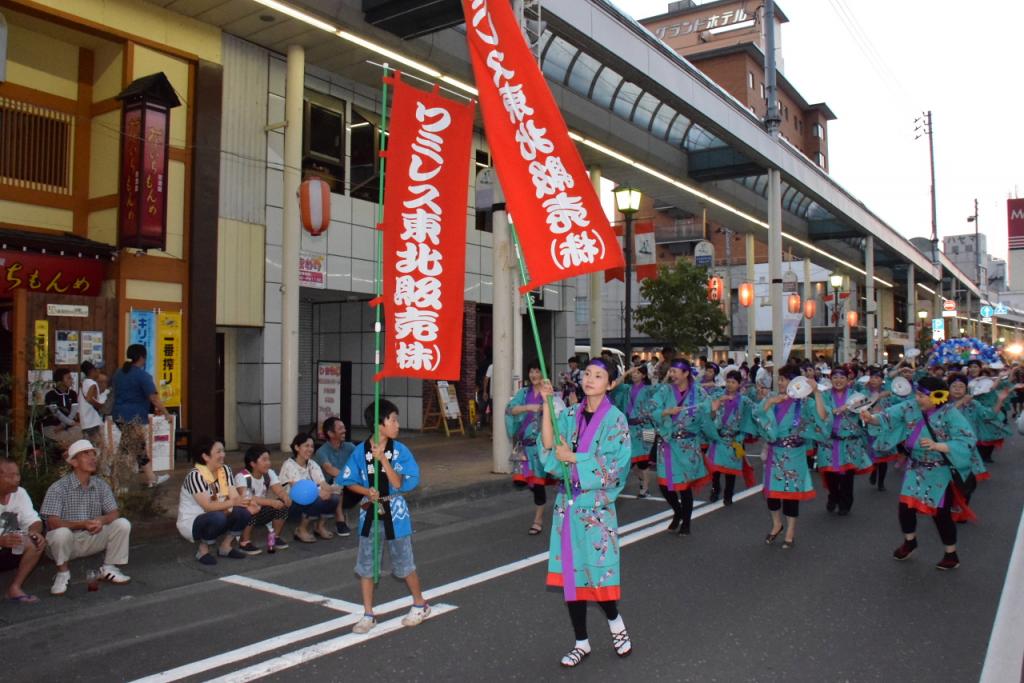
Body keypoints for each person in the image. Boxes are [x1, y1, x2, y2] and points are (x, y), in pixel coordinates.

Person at [538, 357, 633, 667]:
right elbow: (550, 445)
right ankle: (581, 642)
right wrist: (546, 405)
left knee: (597, 573)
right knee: (572, 577)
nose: (590, 379)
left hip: (596, 511)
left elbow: (616, 466)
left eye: (599, 375)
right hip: (567, 508)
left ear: (610, 384)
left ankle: (615, 621)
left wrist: (574, 458)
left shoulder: (616, 420)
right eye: (588, 374)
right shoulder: (570, 414)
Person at [861, 376, 976, 570]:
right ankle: (910, 542)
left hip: (939, 469)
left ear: (937, 396)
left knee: (940, 513)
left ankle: (951, 554)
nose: (917, 398)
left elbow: (967, 439)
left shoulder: (950, 413)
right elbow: (889, 416)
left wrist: (939, 445)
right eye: (917, 393)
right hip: (915, 467)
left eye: (922, 395)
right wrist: (871, 418)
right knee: (905, 508)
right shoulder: (910, 406)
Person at [339, 399, 430, 634]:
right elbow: (348, 480)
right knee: (366, 563)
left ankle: (420, 604)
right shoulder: (360, 451)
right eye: (393, 420)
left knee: (404, 561)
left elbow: (399, 483)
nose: (397, 425)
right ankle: (368, 614)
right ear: (380, 424)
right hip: (370, 511)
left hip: (395, 512)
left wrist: (384, 460)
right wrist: (366, 491)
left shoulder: (399, 450)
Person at [41, 439, 132, 594]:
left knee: (122, 523)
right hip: (67, 542)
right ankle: (63, 573)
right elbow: (52, 522)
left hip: (92, 537)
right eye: (85, 454)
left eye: (93, 454)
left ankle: (109, 567)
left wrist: (101, 520)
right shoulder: (58, 488)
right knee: (60, 533)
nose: (92, 458)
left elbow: (114, 512)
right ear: (74, 462)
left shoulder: (100, 484)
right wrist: (83, 524)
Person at [751, 365, 827, 549]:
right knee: (772, 495)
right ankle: (777, 524)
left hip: (795, 453)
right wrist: (770, 403)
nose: (780, 383)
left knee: (791, 494)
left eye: (784, 379)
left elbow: (822, 417)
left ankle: (790, 531)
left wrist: (816, 393)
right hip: (774, 452)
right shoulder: (773, 397)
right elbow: (757, 414)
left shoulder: (804, 402)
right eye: (779, 379)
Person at [651, 359, 713, 535]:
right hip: (667, 443)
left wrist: (713, 410)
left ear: (686, 373)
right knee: (664, 484)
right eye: (670, 371)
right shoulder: (664, 390)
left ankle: (686, 523)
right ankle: (677, 511)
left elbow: (708, 412)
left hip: (688, 445)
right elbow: (651, 409)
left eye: (675, 371)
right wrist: (666, 412)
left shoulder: (699, 392)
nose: (671, 374)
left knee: (685, 487)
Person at [177, 439, 257, 564]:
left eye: (223, 451)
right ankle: (203, 550)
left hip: (219, 513)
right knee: (217, 517)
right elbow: (208, 507)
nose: (223, 455)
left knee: (243, 512)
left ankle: (225, 547)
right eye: (219, 452)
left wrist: (247, 503)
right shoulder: (195, 476)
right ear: (205, 456)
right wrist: (234, 503)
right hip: (193, 522)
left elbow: (235, 497)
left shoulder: (225, 470)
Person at [506, 360, 556, 535]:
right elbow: (510, 410)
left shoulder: (549, 393)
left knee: (539, 485)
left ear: (543, 373)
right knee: (523, 481)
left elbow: (557, 414)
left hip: (540, 448)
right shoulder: (523, 393)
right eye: (531, 371)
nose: (534, 375)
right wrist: (528, 407)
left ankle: (538, 520)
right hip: (525, 448)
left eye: (537, 371)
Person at [111, 344, 169, 488]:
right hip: (133, 417)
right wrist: (166, 413)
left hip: (118, 415)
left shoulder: (119, 373)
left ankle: (148, 478)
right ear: (142, 358)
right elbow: (154, 398)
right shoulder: (143, 376)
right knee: (134, 448)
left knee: (130, 447)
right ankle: (118, 481)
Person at [817, 367, 873, 515]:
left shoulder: (856, 395)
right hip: (829, 442)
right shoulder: (824, 395)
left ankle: (845, 503)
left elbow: (867, 404)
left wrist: (850, 407)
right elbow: (820, 412)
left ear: (848, 380)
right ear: (830, 379)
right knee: (830, 475)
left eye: (842, 377)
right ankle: (833, 496)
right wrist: (833, 411)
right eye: (835, 377)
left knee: (847, 476)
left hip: (850, 442)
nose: (838, 380)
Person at [707, 370, 757, 505]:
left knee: (731, 470)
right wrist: (717, 405)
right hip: (719, 437)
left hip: (735, 440)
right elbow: (708, 413)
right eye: (728, 381)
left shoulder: (744, 401)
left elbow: (756, 412)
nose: (729, 384)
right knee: (715, 469)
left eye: (733, 382)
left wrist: (766, 400)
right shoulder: (717, 396)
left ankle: (728, 494)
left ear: (739, 384)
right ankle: (715, 489)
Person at [0, 457, 46, 603]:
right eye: (12, 475)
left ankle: (15, 588)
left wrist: (34, 532)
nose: (17, 479)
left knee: (35, 542)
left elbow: (33, 520)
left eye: (18, 474)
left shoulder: (20, 493)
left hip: (8, 549)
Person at [279, 433, 340, 543]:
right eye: (306, 446)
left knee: (334, 498)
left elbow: (322, 483)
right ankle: (300, 529)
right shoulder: (289, 465)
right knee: (315, 499)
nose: (310, 449)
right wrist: (319, 492)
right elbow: (300, 490)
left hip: (310, 498)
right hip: (292, 504)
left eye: (312, 446)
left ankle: (319, 526)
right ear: (297, 447)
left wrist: (331, 490)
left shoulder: (312, 464)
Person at [235, 446, 291, 554]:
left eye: (268, 459)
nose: (268, 463)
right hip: (243, 515)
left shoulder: (269, 473)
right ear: (253, 463)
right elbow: (247, 498)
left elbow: (279, 489)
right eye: (264, 460)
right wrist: (271, 502)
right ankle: (244, 542)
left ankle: (275, 537)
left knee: (282, 504)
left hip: (261, 511)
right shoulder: (242, 476)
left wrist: (285, 497)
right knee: (250, 508)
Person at [611, 365, 657, 498]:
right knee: (630, 460)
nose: (634, 374)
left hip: (647, 428)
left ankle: (645, 488)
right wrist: (626, 373)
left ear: (644, 375)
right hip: (629, 428)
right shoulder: (627, 388)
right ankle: (643, 480)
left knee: (644, 460)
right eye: (633, 372)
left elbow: (662, 391)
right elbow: (613, 385)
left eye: (637, 372)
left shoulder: (649, 389)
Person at [314, 417, 357, 536]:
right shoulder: (322, 451)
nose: (344, 430)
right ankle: (340, 520)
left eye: (344, 428)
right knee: (338, 480)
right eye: (340, 428)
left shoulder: (350, 447)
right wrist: (349, 477)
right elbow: (329, 469)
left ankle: (378, 511)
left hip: (349, 487)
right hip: (328, 488)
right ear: (330, 433)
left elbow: (361, 461)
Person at [42, 368, 80, 448]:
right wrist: (70, 423)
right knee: (63, 437)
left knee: (79, 432)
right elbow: (57, 413)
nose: (71, 380)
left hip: (67, 426)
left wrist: (63, 425)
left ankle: (66, 450)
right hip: (53, 426)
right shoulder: (50, 395)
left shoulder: (73, 394)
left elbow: (73, 412)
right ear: (60, 381)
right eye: (68, 378)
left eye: (71, 378)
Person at [78, 362, 107, 447]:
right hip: (92, 421)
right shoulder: (92, 383)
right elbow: (89, 398)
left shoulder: (84, 382)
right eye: (97, 370)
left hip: (85, 421)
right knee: (99, 446)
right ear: (92, 371)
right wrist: (101, 406)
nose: (99, 372)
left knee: (90, 445)